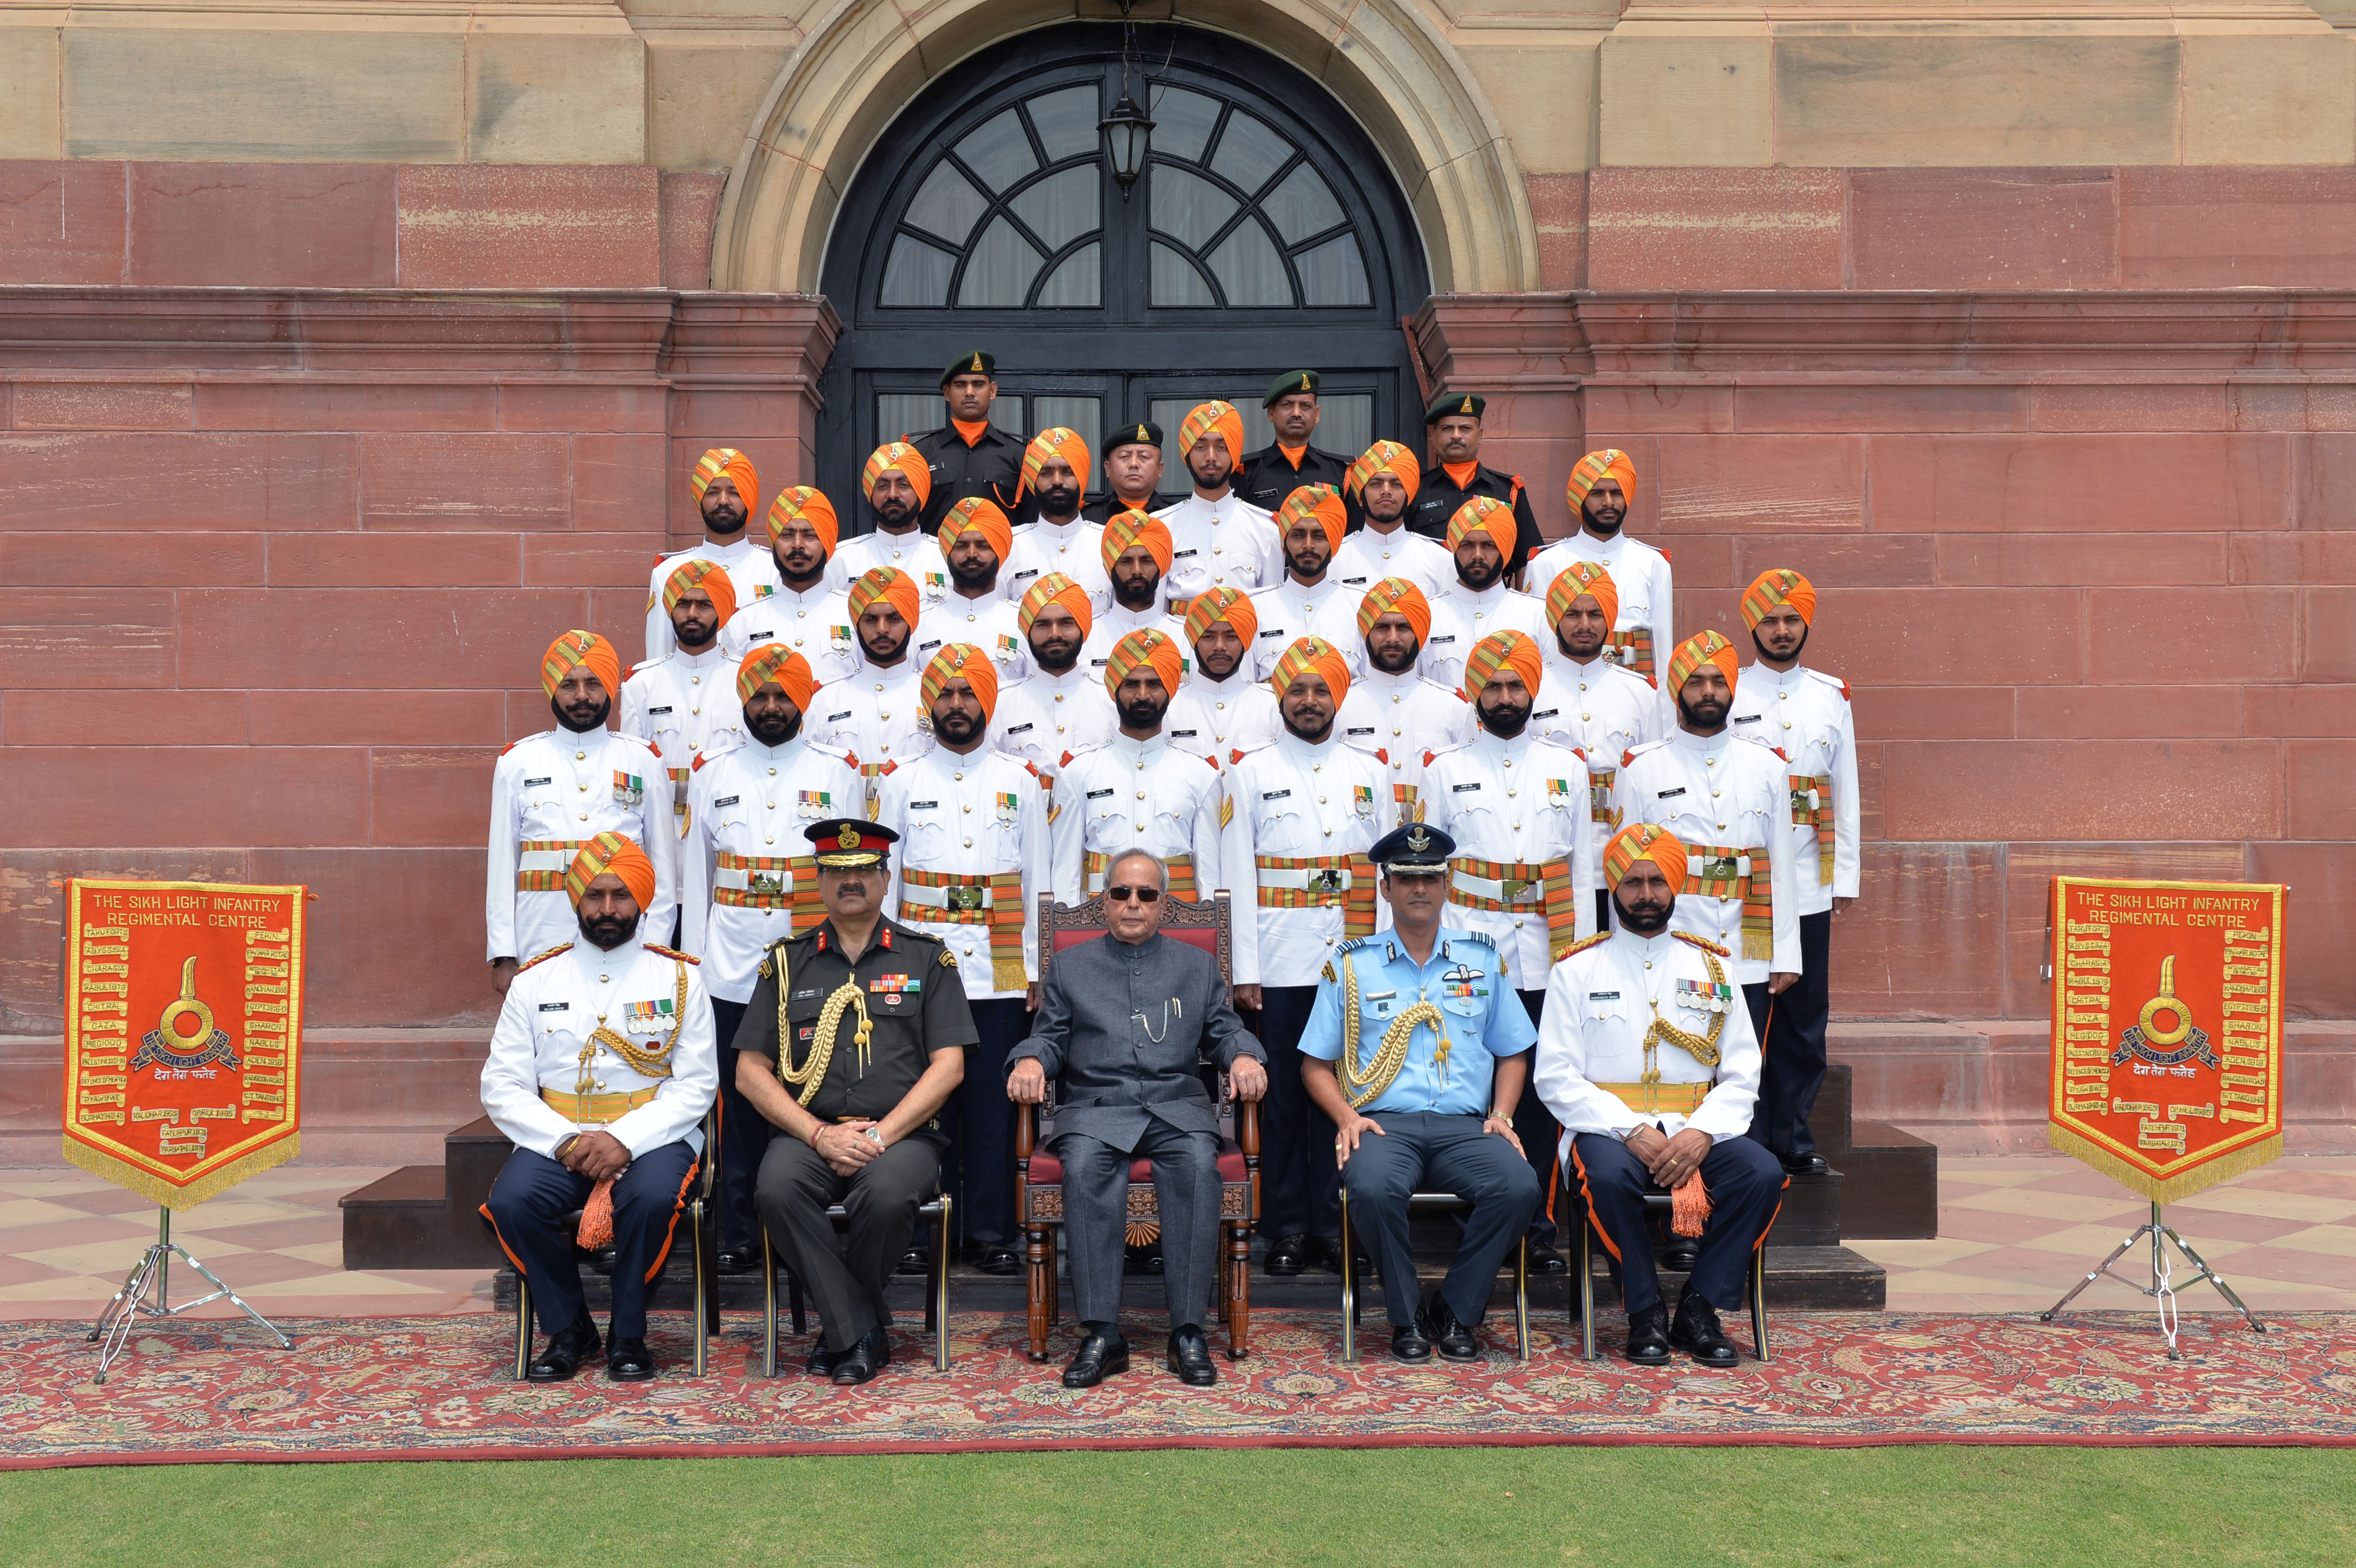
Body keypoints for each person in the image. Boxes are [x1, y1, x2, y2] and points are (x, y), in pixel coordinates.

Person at [1008, 848, 1268, 1388]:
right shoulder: (1071, 965)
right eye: (1120, 893)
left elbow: (1223, 1029)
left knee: (1199, 1163)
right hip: (1099, 1108)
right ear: (1104, 900)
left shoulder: (1195, 967)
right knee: (1082, 1165)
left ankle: (1188, 1331)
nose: (1132, 904)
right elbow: (1050, 1035)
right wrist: (1030, 1058)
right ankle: (1102, 1333)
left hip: (1176, 1107)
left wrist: (1244, 1054)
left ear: (1163, 904)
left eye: (1145, 894)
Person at [1534, 823, 1785, 1367]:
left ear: (1675, 887)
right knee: (1604, 1177)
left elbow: (1742, 1072)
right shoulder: (1576, 968)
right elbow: (1554, 1075)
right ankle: (1643, 1311)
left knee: (1761, 1173)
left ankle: (1699, 1309)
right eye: (1632, 883)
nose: (1644, 894)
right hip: (1608, 1129)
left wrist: (1701, 1132)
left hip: (1698, 1125)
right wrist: (1629, 1129)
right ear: (1614, 889)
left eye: (1655, 881)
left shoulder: (1713, 966)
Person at [734, 820, 975, 1384]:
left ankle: (841, 1330)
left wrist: (881, 1135)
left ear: (886, 879)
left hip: (902, 1136)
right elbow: (750, 1073)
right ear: (817, 882)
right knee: (775, 1189)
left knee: (889, 1197)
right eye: (838, 872)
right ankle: (861, 1330)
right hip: (809, 1134)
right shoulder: (786, 964)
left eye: (865, 870)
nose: (852, 882)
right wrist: (818, 1135)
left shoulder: (926, 960)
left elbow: (950, 1066)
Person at [480, 833, 718, 1382]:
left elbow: (696, 1082)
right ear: (575, 900)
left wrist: (625, 1139)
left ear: (643, 901)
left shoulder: (681, 978)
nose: (607, 909)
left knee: (653, 1196)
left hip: (655, 1136)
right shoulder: (535, 982)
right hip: (560, 1136)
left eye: (620, 895)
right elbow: (503, 1084)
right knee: (514, 1201)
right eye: (594, 895)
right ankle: (570, 1328)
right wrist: (565, 1141)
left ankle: (628, 1335)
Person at [1298, 823, 1540, 1360]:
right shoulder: (1350, 965)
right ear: (1384, 887)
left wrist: (1502, 1114)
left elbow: (1513, 1051)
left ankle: (1454, 1309)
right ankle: (1406, 1317)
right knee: (1371, 1186)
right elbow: (1314, 1065)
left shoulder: (1481, 960)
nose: (1419, 888)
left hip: (1465, 1126)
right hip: (1383, 1124)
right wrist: (1345, 1116)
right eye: (1405, 877)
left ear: (1447, 883)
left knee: (1519, 1185)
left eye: (1430, 876)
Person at [1416, 630, 1596, 1272]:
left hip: (1550, 953)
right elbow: (1428, 874)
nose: (1504, 696)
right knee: (1473, 1089)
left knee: (1546, 1093)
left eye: (1515, 684)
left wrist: (1581, 957)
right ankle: (1483, 1217)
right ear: (1474, 693)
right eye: (1492, 685)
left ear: (1533, 690)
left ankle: (1539, 1225)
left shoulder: (1568, 769)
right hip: (1471, 954)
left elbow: (1580, 873)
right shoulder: (1445, 769)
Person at [679, 645, 862, 1271]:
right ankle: (737, 1231)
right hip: (729, 967)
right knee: (737, 1105)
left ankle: (802, 1224)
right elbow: (695, 879)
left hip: (811, 965)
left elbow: (851, 876)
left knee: (808, 1096)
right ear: (743, 700)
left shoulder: (838, 771)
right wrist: (694, 968)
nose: (772, 706)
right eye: (760, 695)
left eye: (783, 695)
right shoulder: (712, 772)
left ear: (803, 700)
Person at [1220, 636, 1394, 1277]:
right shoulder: (1249, 769)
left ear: (1338, 698)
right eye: (1299, 690)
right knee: (1284, 1099)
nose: (1311, 701)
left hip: (1354, 959)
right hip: (1281, 961)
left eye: (1322, 690)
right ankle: (1286, 1226)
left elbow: (1388, 875)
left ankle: (1337, 1222)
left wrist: (1385, 957)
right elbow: (1237, 873)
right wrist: (1244, 970)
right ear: (1281, 698)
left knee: (1351, 1094)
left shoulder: (1371, 769)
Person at [876, 644, 1047, 1275]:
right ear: (930, 703)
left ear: (987, 701)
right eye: (945, 695)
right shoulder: (899, 782)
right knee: (926, 1105)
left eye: (967, 693)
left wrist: (1036, 967)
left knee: (994, 1107)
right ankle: (926, 1230)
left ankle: (990, 1230)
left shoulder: (1020, 782)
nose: (956, 705)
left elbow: (1039, 881)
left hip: (1002, 964)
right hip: (924, 968)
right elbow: (886, 887)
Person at [1727, 570, 1858, 1177]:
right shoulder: (1728, 688)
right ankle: (1745, 1135)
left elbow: (1845, 792)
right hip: (1744, 884)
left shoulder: (1830, 696)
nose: (1781, 631)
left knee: (1804, 1022)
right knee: (1745, 1013)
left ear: (1806, 623)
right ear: (1752, 624)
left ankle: (1792, 1134)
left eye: (1791, 620)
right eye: (1770, 620)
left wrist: (1843, 880)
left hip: (1807, 882)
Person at [1618, 632, 1801, 1017]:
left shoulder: (1768, 766)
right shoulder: (1641, 768)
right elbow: (1625, 874)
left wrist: (1787, 955)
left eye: (1719, 681)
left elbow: (1782, 867)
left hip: (1749, 952)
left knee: (1748, 1070)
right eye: (1696, 681)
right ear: (1677, 690)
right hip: (1673, 947)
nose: (1708, 691)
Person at [488, 632, 676, 995]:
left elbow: (663, 866)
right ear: (552, 690)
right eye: (569, 685)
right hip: (541, 931)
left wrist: (655, 944)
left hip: (624, 933)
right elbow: (501, 865)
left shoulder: (643, 760)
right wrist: (503, 954)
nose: (582, 697)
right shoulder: (518, 763)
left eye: (593, 683)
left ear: (609, 687)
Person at [1528, 562, 1665, 934]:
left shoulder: (1640, 692)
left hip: (1622, 862)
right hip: (1554, 859)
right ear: (1555, 618)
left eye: (1595, 614)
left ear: (1610, 620)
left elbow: (1652, 778)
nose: (1585, 624)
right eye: (1572, 613)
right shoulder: (1530, 688)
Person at [1050, 629, 1224, 905]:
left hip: (1176, 925)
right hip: (1100, 922)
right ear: (1115, 690)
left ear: (1169, 691)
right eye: (1132, 684)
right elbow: (1066, 873)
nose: (1143, 695)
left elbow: (1209, 877)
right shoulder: (1077, 773)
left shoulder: (1201, 775)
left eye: (1154, 684)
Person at [1526, 450, 1675, 689]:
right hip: (1567, 687)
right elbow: (1540, 645)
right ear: (1581, 498)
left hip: (1636, 688)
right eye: (1597, 493)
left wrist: (1663, 718)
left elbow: (1664, 651)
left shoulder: (1652, 563)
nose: (1608, 502)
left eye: (1616, 493)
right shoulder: (1547, 563)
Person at [622, 559, 745, 839]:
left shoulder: (746, 680)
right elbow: (632, 773)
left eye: (704, 605)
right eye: (683, 604)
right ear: (671, 610)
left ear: (722, 612)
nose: (692, 613)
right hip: (662, 830)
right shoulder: (641, 684)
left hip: (728, 827)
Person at [1334, 577, 1470, 815]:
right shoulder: (1339, 704)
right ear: (1366, 633)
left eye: (1404, 627)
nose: (1393, 638)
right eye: (1382, 627)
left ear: (1420, 633)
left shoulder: (1453, 707)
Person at [644, 448, 779, 661]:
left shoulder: (775, 569)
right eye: (713, 492)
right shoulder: (669, 571)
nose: (723, 501)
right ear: (701, 499)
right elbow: (659, 659)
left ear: (749, 499)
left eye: (734, 492)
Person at [1154, 400, 1282, 617]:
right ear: (1187, 455)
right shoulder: (1161, 527)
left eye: (1222, 447)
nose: (1211, 457)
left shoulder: (1265, 528)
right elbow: (1157, 613)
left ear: (1235, 453)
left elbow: (1271, 613)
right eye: (1201, 447)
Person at [805, 567, 932, 784]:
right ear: (857, 626)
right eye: (871, 620)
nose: (882, 629)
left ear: (911, 623)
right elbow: (810, 772)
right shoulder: (824, 699)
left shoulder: (935, 696)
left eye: (894, 619)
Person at [989, 573, 1115, 789]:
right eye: (1043, 625)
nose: (1054, 634)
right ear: (1028, 632)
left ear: (1083, 629)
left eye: (1066, 623)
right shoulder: (1001, 705)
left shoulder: (1111, 701)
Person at [720, 488, 856, 679]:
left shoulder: (855, 616)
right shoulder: (743, 623)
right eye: (787, 535)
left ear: (828, 543)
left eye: (810, 535)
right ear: (773, 544)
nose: (798, 545)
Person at [1404, 393, 1541, 581]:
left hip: (1493, 601)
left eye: (1465, 428)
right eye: (1447, 429)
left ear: (1480, 435)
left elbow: (1526, 560)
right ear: (1434, 436)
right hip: (1432, 598)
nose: (1456, 435)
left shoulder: (1508, 491)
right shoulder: (1414, 490)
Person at [1419, 497, 1549, 691]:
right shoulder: (1427, 615)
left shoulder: (1537, 615)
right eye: (1467, 545)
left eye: (1489, 546)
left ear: (1505, 549)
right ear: (1455, 550)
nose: (1478, 555)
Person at [1247, 485, 1362, 678]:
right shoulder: (1255, 609)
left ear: (1333, 544)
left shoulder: (1359, 606)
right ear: (1284, 545)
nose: (1308, 545)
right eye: (1298, 535)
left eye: (1319, 536)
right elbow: (1248, 691)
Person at [906, 349, 1025, 534]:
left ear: (993, 391)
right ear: (947, 393)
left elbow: (1030, 523)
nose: (970, 392)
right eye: (961, 385)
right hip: (935, 560)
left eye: (978, 385)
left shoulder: (1019, 455)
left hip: (1002, 562)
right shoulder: (919, 455)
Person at [1164, 587, 1280, 765]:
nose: (1220, 646)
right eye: (1209, 637)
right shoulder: (1169, 707)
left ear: (1245, 641)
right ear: (1194, 640)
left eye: (1231, 637)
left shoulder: (1272, 707)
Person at [1004, 427, 1112, 613]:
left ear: (1082, 476)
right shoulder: (1010, 547)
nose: (1057, 481)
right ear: (1033, 481)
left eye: (1068, 472)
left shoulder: (1108, 544)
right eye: (1046, 473)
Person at [928, 497, 1032, 684]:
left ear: (1000, 552)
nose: (972, 554)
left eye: (983, 546)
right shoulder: (921, 624)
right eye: (961, 546)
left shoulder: (1024, 623)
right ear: (948, 552)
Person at [1334, 440, 1451, 601]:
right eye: (1376, 484)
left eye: (1396, 484)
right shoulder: (1335, 559)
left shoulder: (1440, 560)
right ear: (1361, 498)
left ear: (1409, 496)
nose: (1386, 491)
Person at [839, 443, 949, 606]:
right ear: (871, 493)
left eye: (903, 485)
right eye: (883, 486)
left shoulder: (946, 558)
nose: (892, 494)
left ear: (921, 491)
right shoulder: (842, 559)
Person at [1234, 370, 1353, 516]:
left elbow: (1352, 533)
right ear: (1271, 413)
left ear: (1317, 415)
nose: (1297, 413)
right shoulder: (1245, 472)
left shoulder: (1340, 472)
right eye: (1287, 405)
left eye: (1305, 406)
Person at [1081, 509, 1185, 669]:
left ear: (1160, 567)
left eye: (1146, 561)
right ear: (1111, 567)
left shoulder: (1184, 638)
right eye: (1126, 561)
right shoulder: (1086, 639)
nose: (1137, 570)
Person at [1082, 422, 1166, 523]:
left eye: (1144, 457)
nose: (1134, 464)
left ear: (1160, 469)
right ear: (1108, 468)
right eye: (1124, 457)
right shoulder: (1087, 519)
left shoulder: (1176, 517)